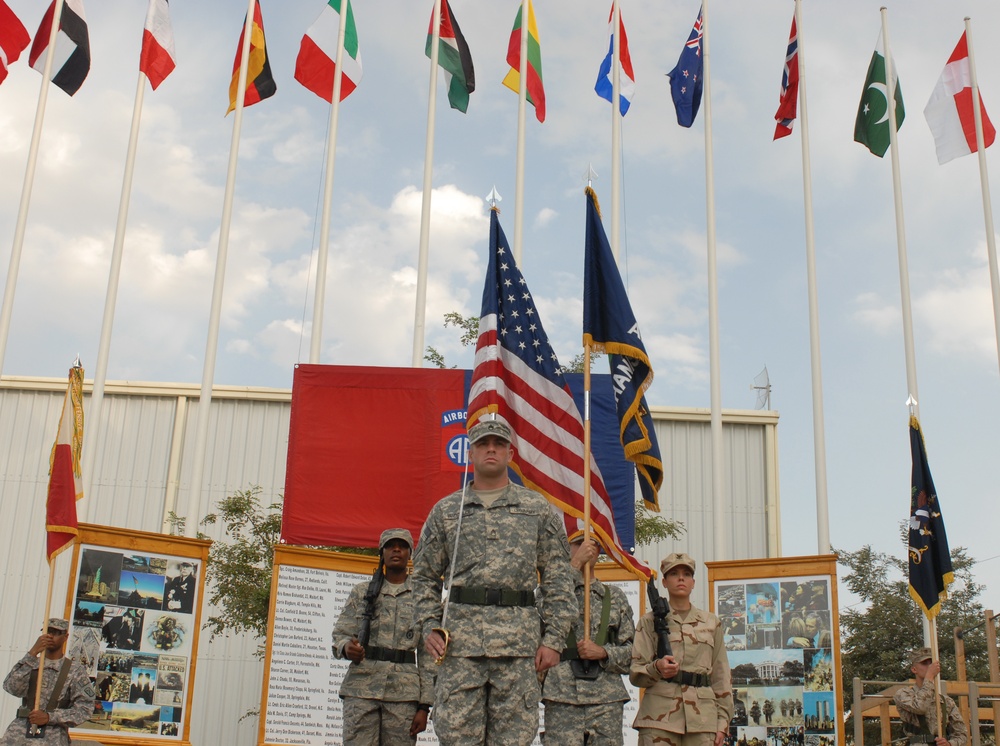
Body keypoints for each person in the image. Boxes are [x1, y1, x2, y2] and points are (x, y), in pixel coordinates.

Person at [412, 419, 578, 745]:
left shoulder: (536, 509)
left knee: (514, 740)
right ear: (470, 452)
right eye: (484, 444)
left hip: (519, 649)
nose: (491, 449)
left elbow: (558, 578)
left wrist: (554, 639)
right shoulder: (447, 511)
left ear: (510, 452)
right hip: (459, 646)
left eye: (499, 444)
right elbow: (423, 576)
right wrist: (428, 624)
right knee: (457, 737)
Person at [332, 528, 432, 745]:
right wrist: (347, 647)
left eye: (402, 545)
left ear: (410, 553)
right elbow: (340, 634)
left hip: (403, 694)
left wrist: (425, 706)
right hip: (361, 689)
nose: (396, 550)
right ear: (382, 552)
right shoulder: (363, 592)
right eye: (390, 545)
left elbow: (428, 656)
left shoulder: (422, 597)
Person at [541, 532, 635, 745]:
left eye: (592, 543)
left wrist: (603, 652)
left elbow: (634, 653)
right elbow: (540, 608)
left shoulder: (615, 597)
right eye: (577, 543)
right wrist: (573, 565)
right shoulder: (552, 591)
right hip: (562, 696)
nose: (586, 548)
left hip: (605, 699)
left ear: (599, 551)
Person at [630, 553, 733, 746]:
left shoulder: (711, 623)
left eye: (686, 574)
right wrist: (657, 668)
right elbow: (636, 672)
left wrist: (722, 721)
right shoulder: (649, 621)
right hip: (659, 718)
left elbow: (721, 675)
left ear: (693, 582)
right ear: (664, 582)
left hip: (703, 720)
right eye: (674, 573)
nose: (680, 578)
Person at [1, 618, 94, 745]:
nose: (50, 636)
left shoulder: (74, 670)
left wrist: (50, 717)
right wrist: (32, 653)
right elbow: (12, 688)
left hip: (52, 737)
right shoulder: (31, 663)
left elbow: (85, 709)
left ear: (65, 637)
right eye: (47, 631)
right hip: (19, 735)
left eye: (56, 632)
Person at [893, 648, 967, 746]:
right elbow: (920, 707)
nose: (930, 666)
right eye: (924, 663)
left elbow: (961, 734)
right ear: (914, 669)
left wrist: (949, 744)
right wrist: (929, 677)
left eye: (931, 663)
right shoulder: (903, 694)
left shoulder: (946, 701)